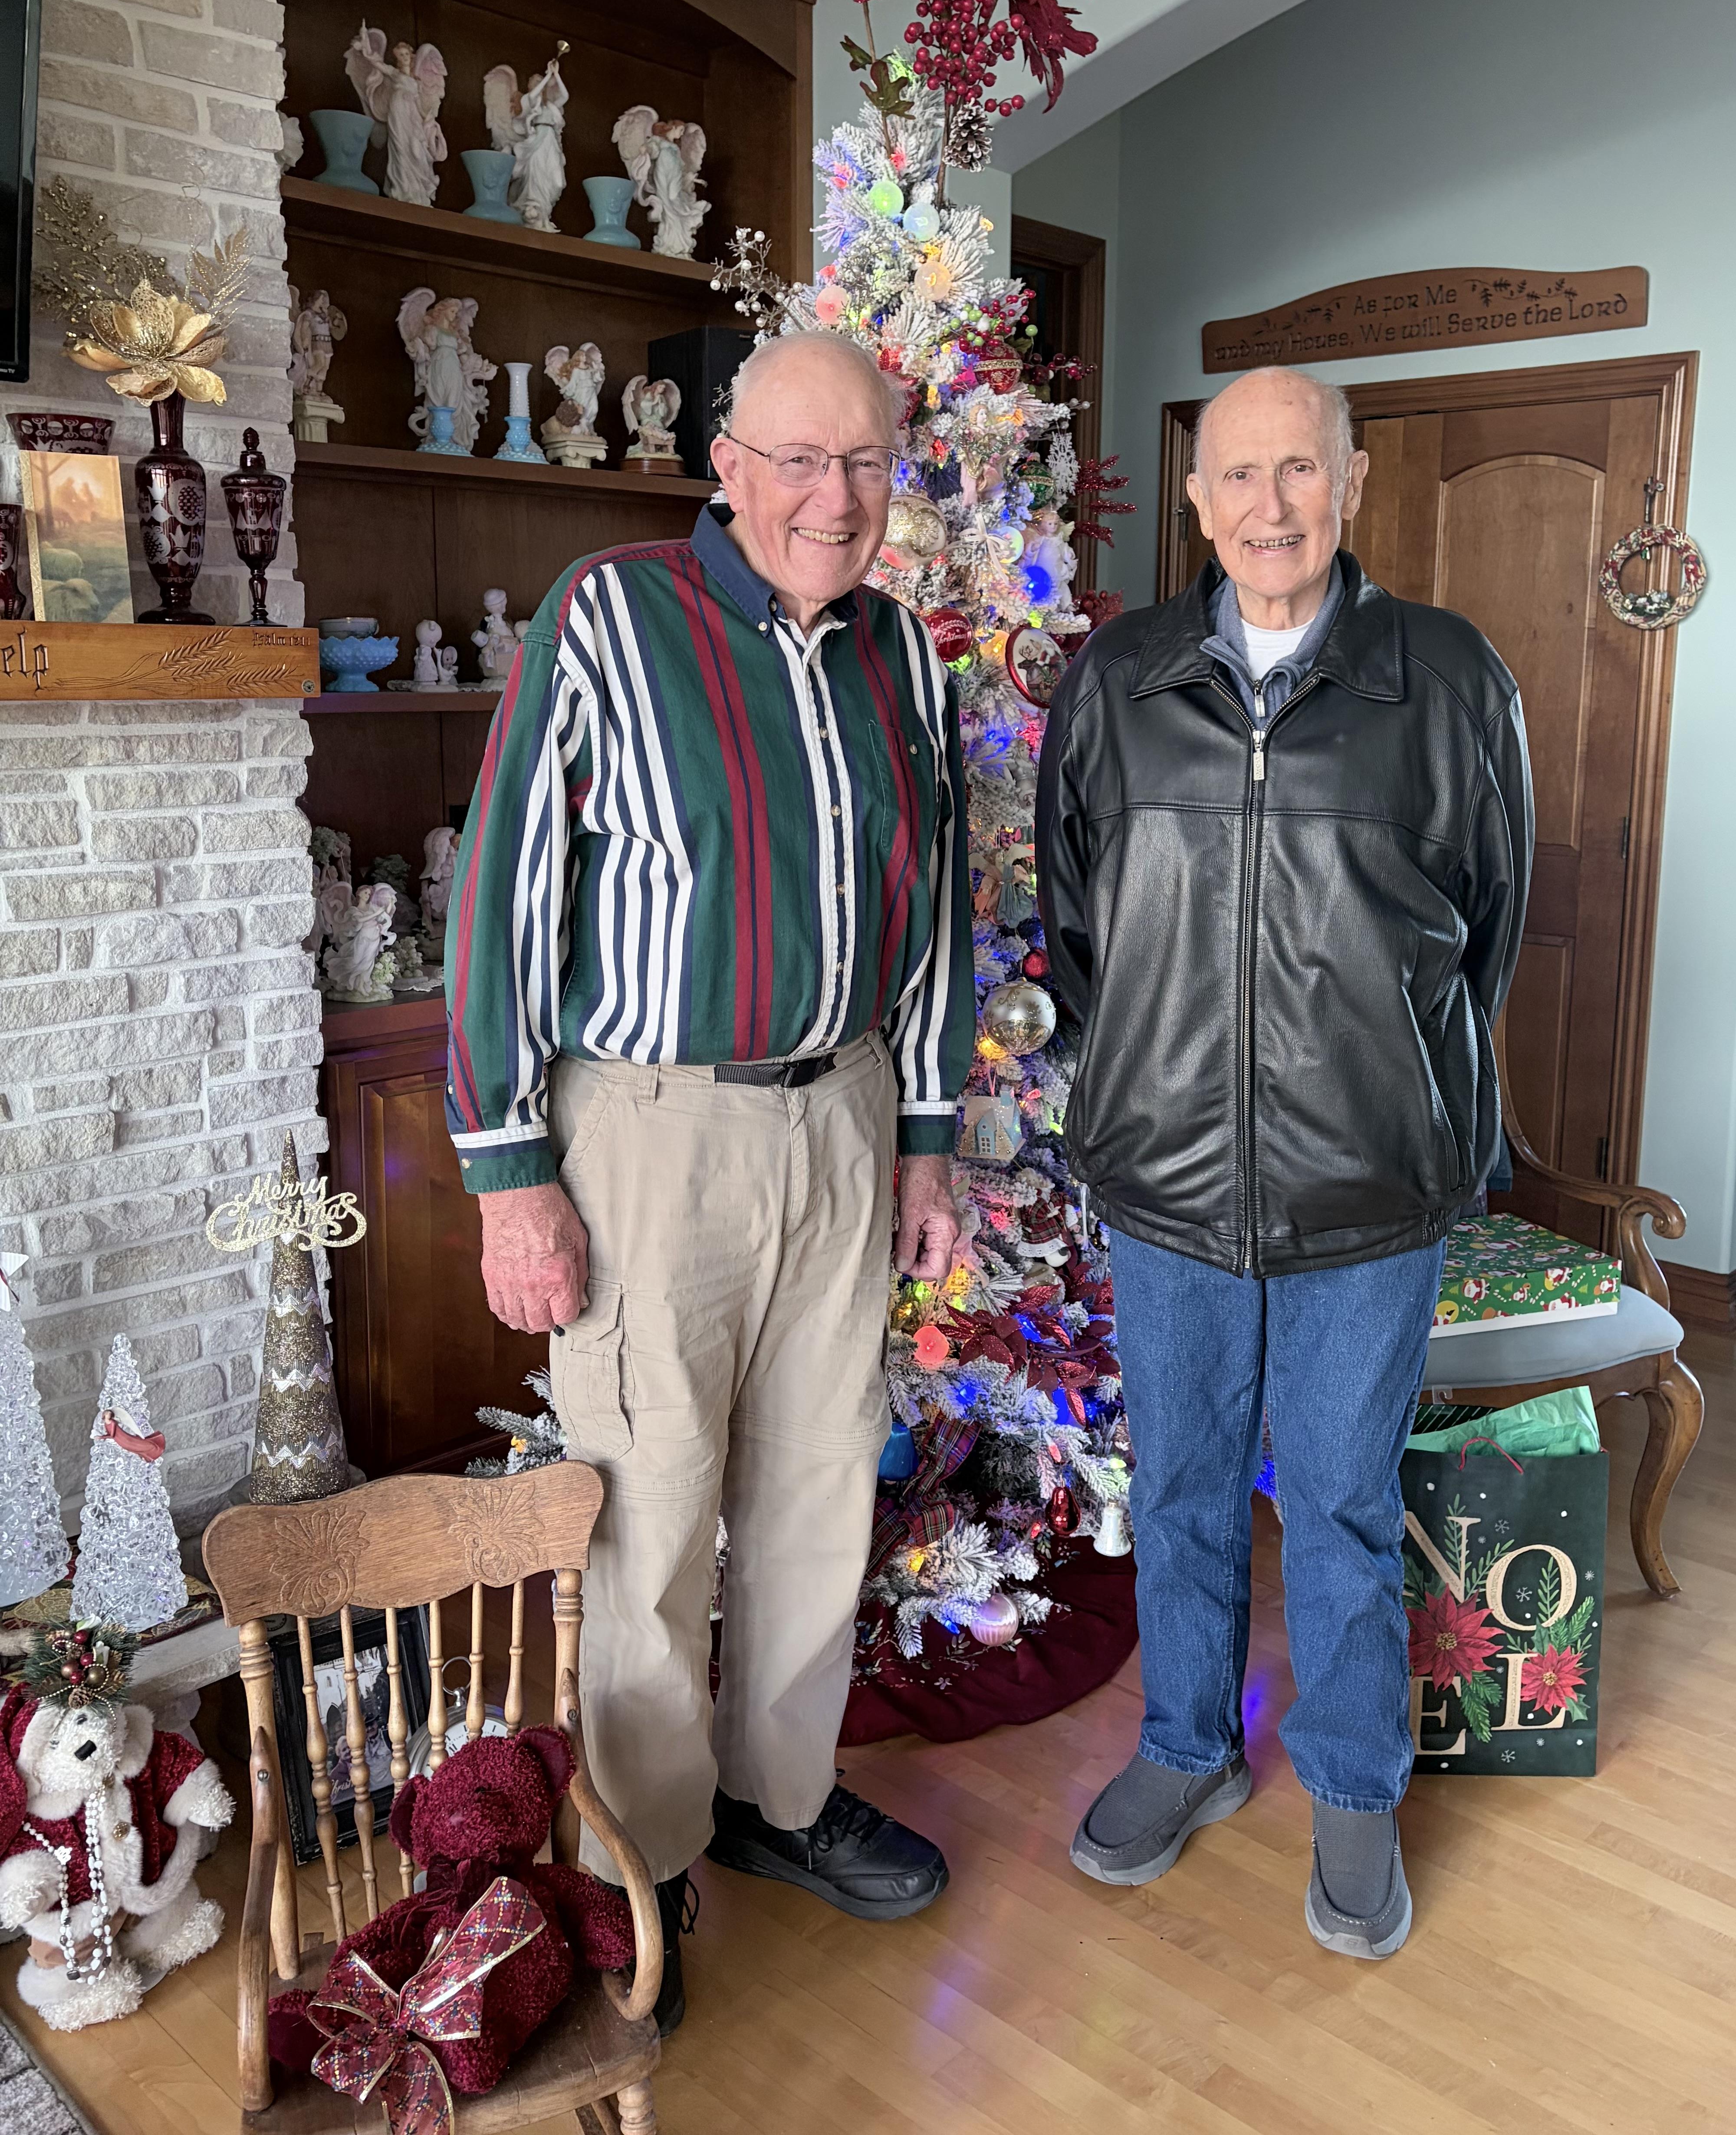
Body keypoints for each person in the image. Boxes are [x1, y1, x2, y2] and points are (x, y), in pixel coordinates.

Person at [444, 331, 973, 2031]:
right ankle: (641, 1869)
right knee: (650, 1508)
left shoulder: (905, 654)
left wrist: (930, 1136)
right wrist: (511, 1177)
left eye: (866, 466)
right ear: (726, 465)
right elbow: (508, 896)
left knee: (823, 1489)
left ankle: (777, 1808)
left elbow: (941, 909)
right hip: (651, 1131)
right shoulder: (612, 615)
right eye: (798, 462)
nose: (833, 498)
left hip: (846, 1117)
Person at [1036, 365, 1532, 1958]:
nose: (1270, 506)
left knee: (1335, 1496)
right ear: (1196, 497)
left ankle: (1356, 1778)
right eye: (1239, 475)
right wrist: (1158, 1083)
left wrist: (1391, 1088)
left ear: (1354, 481)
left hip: (1368, 1190)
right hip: (1168, 1182)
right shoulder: (1116, 680)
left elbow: (1487, 935)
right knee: (1177, 1486)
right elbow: (1081, 928)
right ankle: (1187, 1749)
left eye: (1299, 472)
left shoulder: (1449, 677)